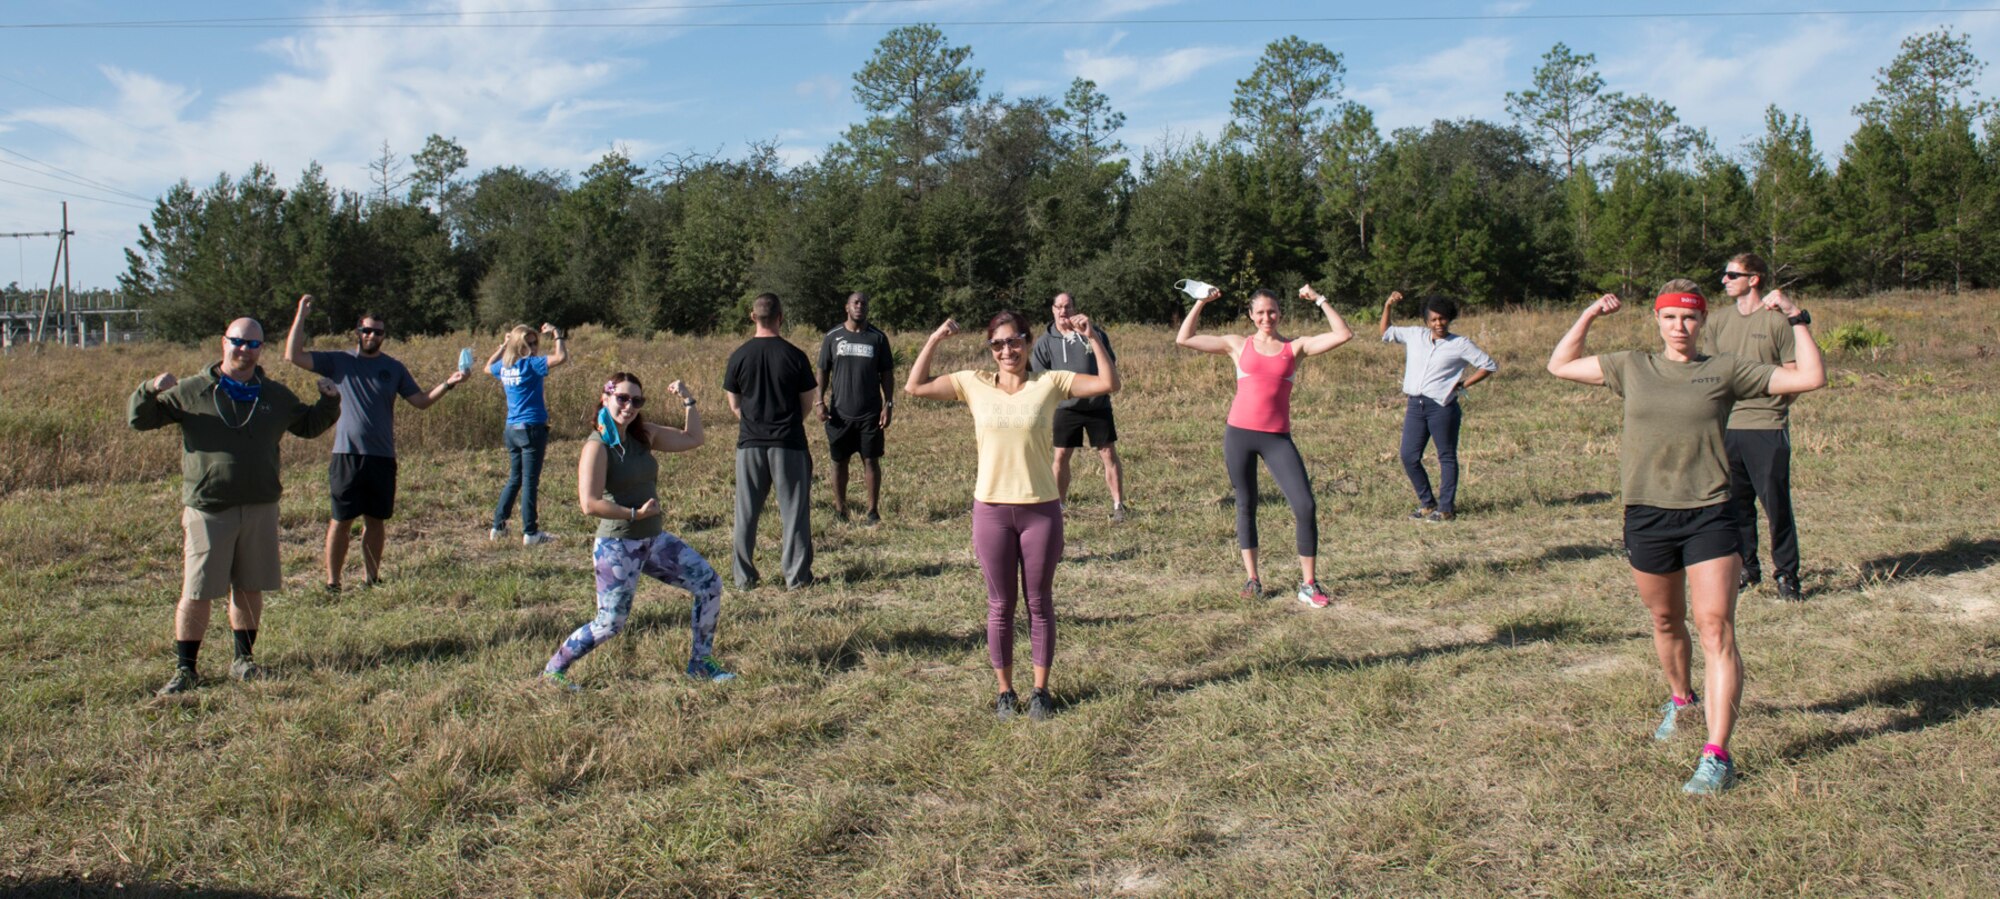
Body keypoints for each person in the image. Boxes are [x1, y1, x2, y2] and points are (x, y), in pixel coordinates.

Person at [1547, 280, 1824, 794]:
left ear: (1703, 323)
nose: (1680, 327)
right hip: (1648, 514)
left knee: (1715, 626)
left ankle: (1717, 754)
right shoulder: (1633, 366)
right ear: (1658, 321)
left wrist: (1794, 315)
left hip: (1712, 514)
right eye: (1671, 318)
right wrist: (1588, 313)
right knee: (1666, 619)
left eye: (1690, 318)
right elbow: (1559, 364)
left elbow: (1810, 377)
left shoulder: (1724, 368)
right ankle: (1681, 699)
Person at [904, 309, 1119, 720]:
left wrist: (1093, 338)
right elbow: (914, 386)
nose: (1007, 350)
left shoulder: (1050, 382)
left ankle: (1040, 691)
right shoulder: (973, 383)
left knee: (1039, 603)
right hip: (992, 511)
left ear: (1027, 342)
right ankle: (1005, 692)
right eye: (998, 344)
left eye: (1015, 341)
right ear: (990, 349)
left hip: (1041, 510)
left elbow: (1110, 383)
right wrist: (933, 339)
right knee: (1000, 606)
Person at [129, 317, 343, 696]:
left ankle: (243, 660)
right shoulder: (192, 391)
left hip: (260, 505)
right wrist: (149, 388)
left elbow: (308, 427)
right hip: (208, 508)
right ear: (222, 342)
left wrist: (329, 402)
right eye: (237, 342)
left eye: (253, 344)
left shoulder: (274, 395)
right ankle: (185, 669)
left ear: (262, 349)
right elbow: (140, 420)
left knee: (249, 586)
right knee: (197, 590)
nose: (244, 350)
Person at [541, 372, 734, 689]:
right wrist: (634, 513)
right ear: (605, 398)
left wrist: (688, 400)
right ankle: (553, 672)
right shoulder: (597, 445)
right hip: (618, 546)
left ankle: (700, 664)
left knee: (709, 584)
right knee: (610, 623)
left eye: (636, 400)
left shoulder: (643, 434)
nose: (629, 406)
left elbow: (693, 439)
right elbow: (589, 504)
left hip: (653, 540)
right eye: (622, 398)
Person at [1175, 285, 1354, 607]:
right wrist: (1201, 302)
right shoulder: (1237, 344)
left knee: (1305, 505)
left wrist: (1320, 300)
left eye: (1271, 311)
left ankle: (1309, 584)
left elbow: (1343, 334)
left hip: (1277, 439)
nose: (1266, 317)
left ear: (1279, 313)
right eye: (1259, 312)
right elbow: (1184, 338)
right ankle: (1253, 579)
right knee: (1246, 504)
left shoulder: (1295, 347)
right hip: (1239, 435)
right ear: (1251, 315)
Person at [283, 295, 468, 592]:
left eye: (378, 332)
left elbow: (420, 402)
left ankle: (373, 578)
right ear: (358, 330)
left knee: (377, 521)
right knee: (340, 520)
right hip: (347, 455)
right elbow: (294, 356)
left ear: (384, 335)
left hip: (381, 456)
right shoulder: (338, 361)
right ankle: (333, 582)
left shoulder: (393, 368)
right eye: (367, 330)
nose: (372, 336)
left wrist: (449, 382)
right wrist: (301, 316)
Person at [1706, 254, 1805, 601]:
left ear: (1755, 278)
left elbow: (1795, 372)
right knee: (1735, 505)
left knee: (1776, 505)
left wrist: (1773, 407)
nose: (1725, 279)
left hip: (1765, 426)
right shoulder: (1717, 322)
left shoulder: (1776, 321)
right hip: (1727, 426)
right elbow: (1709, 373)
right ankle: (1747, 567)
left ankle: (1787, 575)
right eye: (1724, 274)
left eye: (1733, 274)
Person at [723, 293, 818, 590]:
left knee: (746, 513)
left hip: (750, 443)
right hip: (789, 442)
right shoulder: (795, 356)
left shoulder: (738, 356)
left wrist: (753, 424)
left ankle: (743, 577)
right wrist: (787, 424)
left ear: (753, 317)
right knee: (794, 512)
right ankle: (797, 577)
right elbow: (807, 402)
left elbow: (734, 404)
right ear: (781, 317)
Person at [1377, 291, 1498, 522]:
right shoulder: (1415, 335)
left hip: (1442, 406)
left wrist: (1463, 384)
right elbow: (1386, 332)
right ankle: (1427, 503)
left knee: (1446, 456)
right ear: (1426, 320)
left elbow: (1488, 365)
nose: (1438, 323)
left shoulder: (1460, 344)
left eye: (1442, 318)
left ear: (1449, 318)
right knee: (1409, 456)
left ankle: (1446, 509)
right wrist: (1388, 306)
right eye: (1433, 319)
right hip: (1415, 404)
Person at [1031, 291, 1129, 521]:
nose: (1064, 311)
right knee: (1062, 455)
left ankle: (1119, 506)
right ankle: (1058, 507)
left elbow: (1109, 365)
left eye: (1068, 306)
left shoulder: (1094, 334)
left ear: (1075, 309)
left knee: (1107, 452)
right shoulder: (1045, 341)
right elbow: (1037, 376)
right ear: (1052, 310)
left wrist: (1091, 334)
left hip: (1098, 404)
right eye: (1059, 307)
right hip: (1065, 408)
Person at [483, 322, 570, 545]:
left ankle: (498, 527)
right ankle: (530, 532)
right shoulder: (530, 365)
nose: (533, 347)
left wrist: (503, 346)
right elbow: (561, 357)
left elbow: (487, 367)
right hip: (531, 429)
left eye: (534, 343)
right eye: (527, 343)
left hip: (512, 429)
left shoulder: (505, 366)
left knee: (515, 479)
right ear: (518, 345)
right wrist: (558, 334)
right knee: (530, 481)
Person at [815, 292, 895, 525]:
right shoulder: (833, 336)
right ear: (847, 308)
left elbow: (887, 374)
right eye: (855, 303)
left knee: (871, 460)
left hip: (870, 413)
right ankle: (841, 510)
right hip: (839, 414)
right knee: (839, 461)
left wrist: (888, 404)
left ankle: (872, 512)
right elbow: (822, 370)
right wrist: (819, 401)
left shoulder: (878, 338)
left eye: (864, 303)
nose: (860, 306)